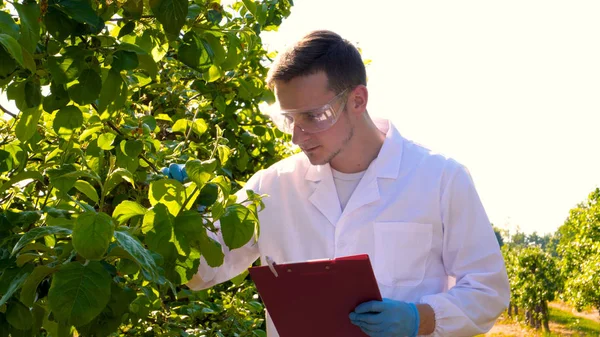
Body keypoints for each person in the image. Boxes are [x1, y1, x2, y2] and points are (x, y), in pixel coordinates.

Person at [164, 30, 510, 337]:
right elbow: (202, 272)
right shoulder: (272, 186)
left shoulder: (440, 179)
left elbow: (487, 291)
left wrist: (419, 318)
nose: (298, 136)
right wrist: (179, 215)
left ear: (357, 100)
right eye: (290, 119)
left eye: (314, 116)